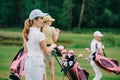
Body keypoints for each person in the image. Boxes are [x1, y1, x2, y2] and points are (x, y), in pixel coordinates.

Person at [22, 9, 56, 80]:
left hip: (28, 62)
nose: (43, 20)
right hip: (37, 62)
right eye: (41, 18)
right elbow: (46, 51)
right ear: (34, 20)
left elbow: (25, 50)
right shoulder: (40, 34)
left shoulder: (26, 32)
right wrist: (53, 45)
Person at [40, 15, 60, 80]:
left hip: (42, 49)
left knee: (43, 68)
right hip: (51, 48)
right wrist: (57, 33)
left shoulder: (41, 28)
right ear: (47, 21)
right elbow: (55, 40)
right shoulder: (52, 29)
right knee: (51, 67)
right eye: (50, 20)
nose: (51, 22)